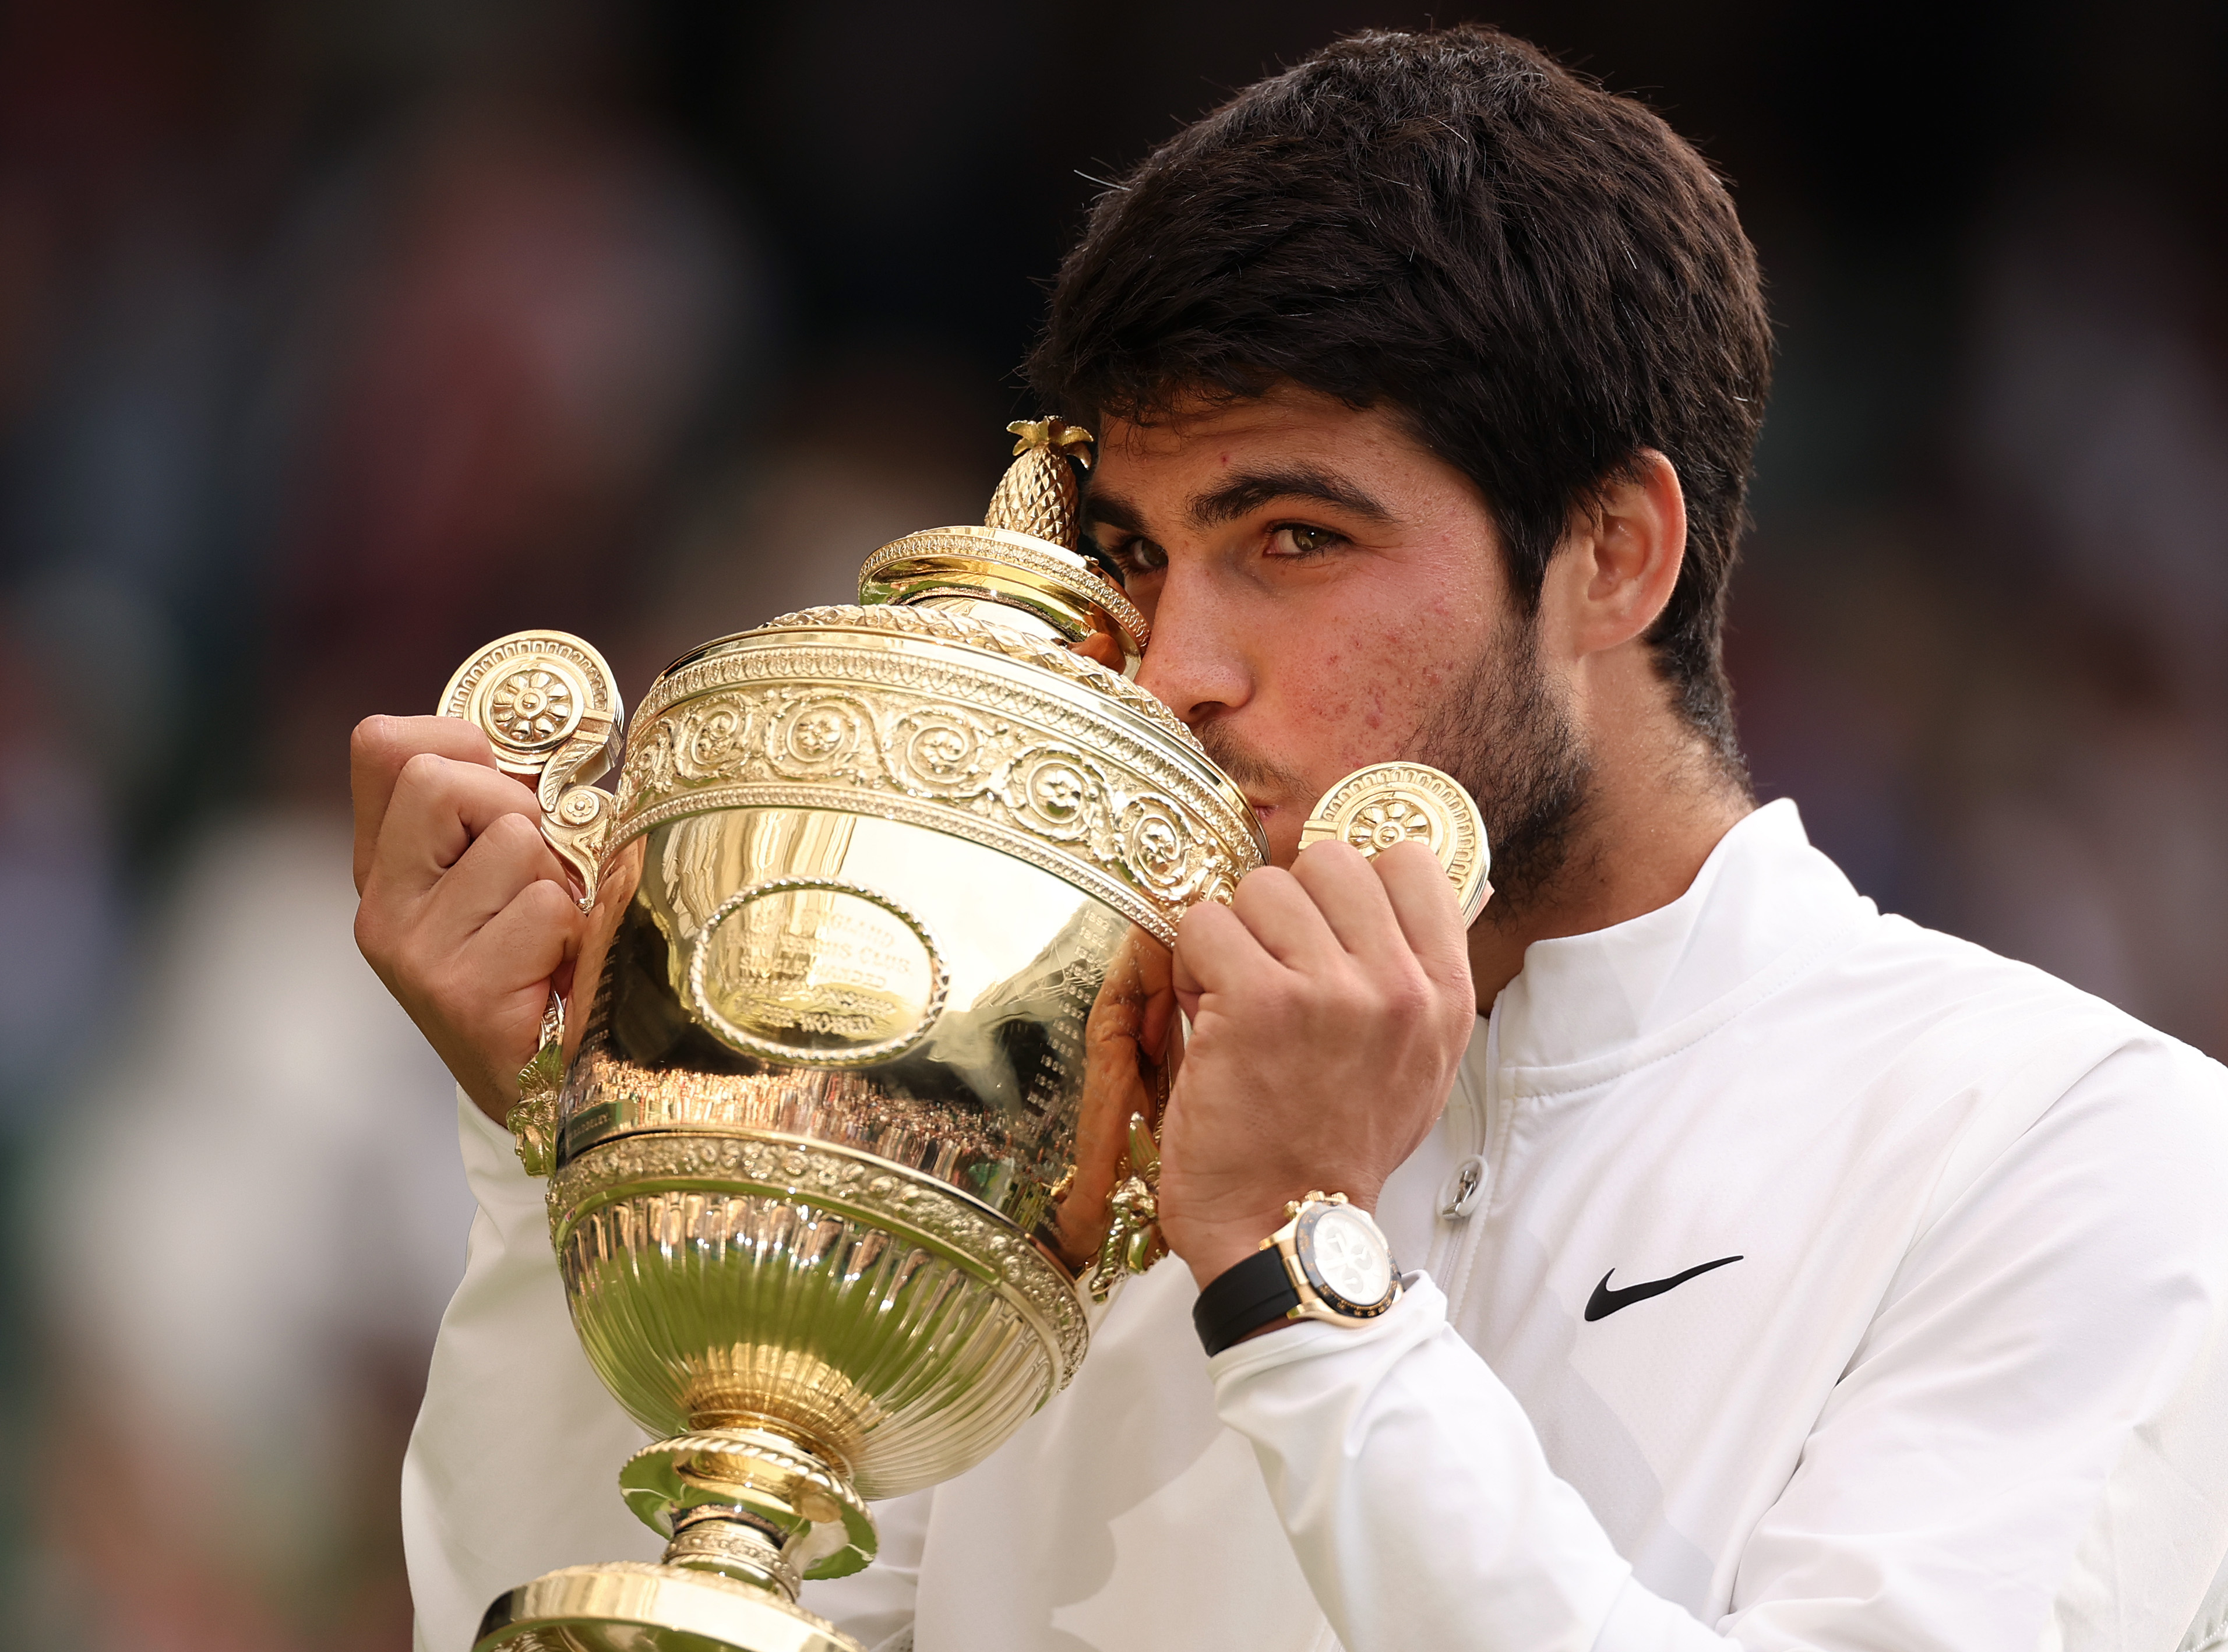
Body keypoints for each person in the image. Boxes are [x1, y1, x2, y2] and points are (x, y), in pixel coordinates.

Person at [352, 25, 2228, 1652]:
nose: (1175, 670)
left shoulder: (2076, 1148)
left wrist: (1300, 1287)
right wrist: (567, 1146)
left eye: (1296, 541)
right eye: (1140, 556)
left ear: (1617, 554)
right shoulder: (1060, 1101)